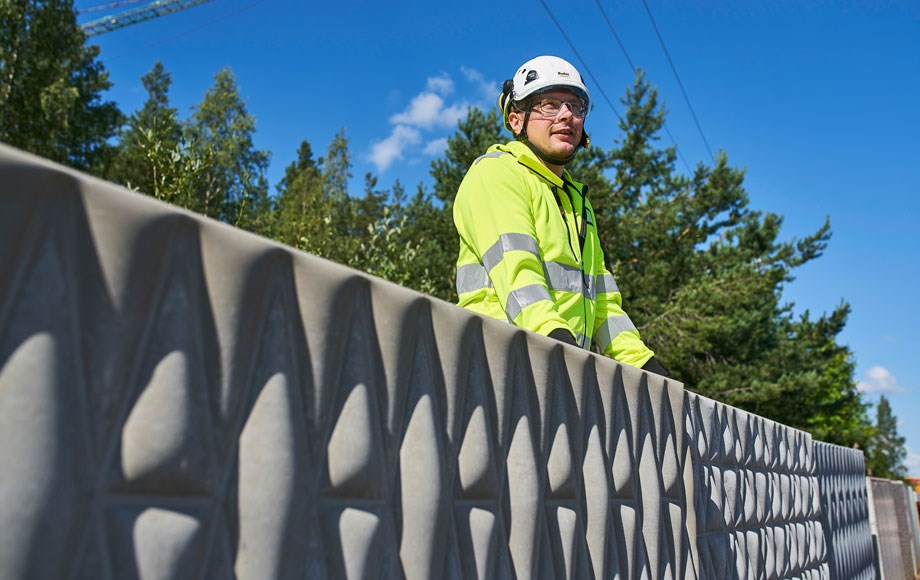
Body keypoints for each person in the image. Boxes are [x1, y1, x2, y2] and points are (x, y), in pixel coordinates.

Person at [452, 55, 669, 376]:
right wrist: (557, 343)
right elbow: (518, 276)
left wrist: (644, 364)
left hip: (553, 365)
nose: (567, 115)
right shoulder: (497, 173)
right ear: (516, 120)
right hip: (496, 363)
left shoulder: (577, 201)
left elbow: (604, 303)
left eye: (576, 106)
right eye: (548, 105)